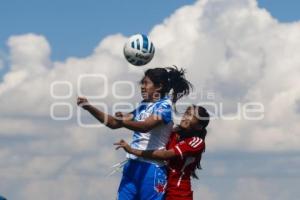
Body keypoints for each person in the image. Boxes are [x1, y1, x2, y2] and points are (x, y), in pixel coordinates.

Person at [77, 66, 192, 200]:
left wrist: (123, 121)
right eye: (141, 83)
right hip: (132, 166)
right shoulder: (143, 106)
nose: (142, 87)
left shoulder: (164, 107)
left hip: (151, 169)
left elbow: (145, 126)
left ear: (159, 86)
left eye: (146, 83)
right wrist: (89, 107)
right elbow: (113, 124)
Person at [114, 105, 210, 200]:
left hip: (179, 194)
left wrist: (132, 151)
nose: (185, 117)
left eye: (191, 116)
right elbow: (148, 124)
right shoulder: (174, 134)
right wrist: (127, 116)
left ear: (199, 126)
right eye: (186, 113)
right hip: (161, 187)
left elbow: (165, 155)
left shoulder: (197, 142)